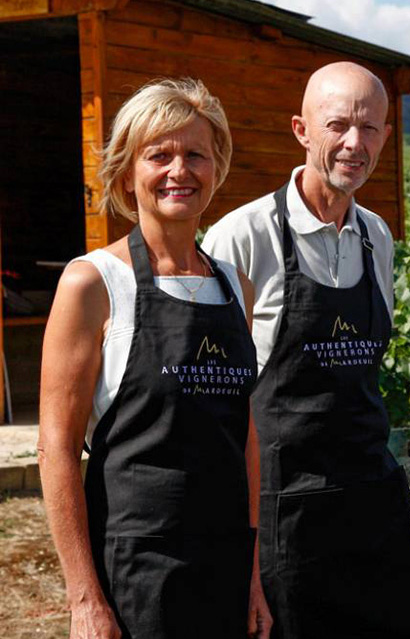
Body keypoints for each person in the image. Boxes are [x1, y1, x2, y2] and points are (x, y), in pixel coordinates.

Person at [203, 62, 410, 638]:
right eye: (337, 125)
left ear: (387, 137)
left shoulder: (377, 236)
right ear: (301, 130)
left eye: (370, 129)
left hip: (372, 496)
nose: (354, 143)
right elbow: (219, 404)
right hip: (284, 508)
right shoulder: (241, 238)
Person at [38, 78, 271, 639]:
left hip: (224, 564)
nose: (179, 171)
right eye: (158, 155)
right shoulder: (93, 282)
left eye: (196, 154)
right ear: (126, 171)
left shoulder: (237, 285)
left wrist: (254, 575)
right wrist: (84, 601)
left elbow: (245, 440)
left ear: (216, 168)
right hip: (134, 571)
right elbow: (57, 449)